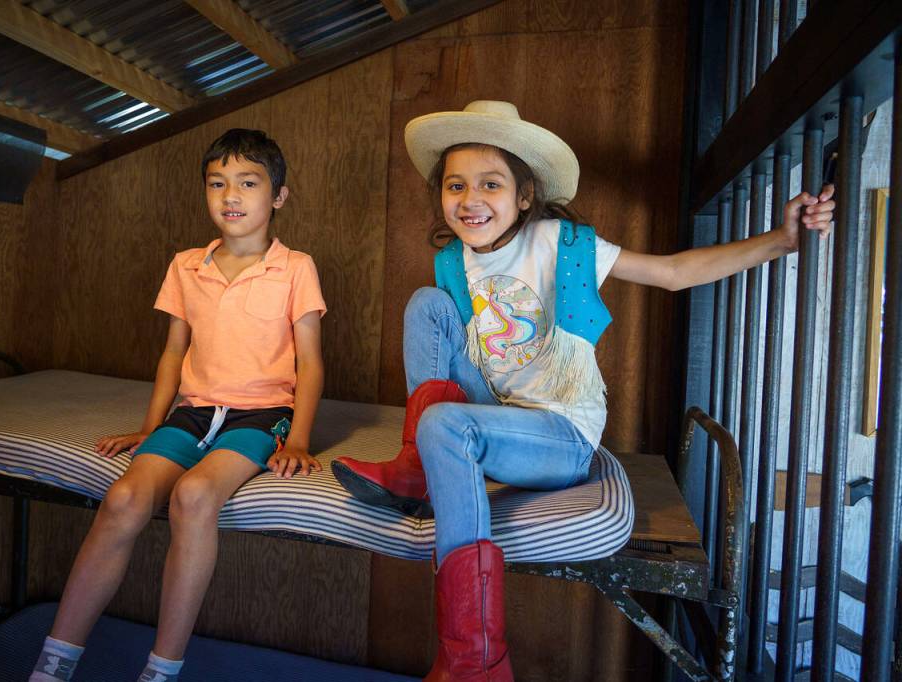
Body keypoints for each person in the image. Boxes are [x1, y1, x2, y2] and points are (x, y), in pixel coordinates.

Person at [332, 100, 834, 681]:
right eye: (456, 185)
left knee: (447, 423)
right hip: (493, 415)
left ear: (525, 196)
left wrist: (782, 240)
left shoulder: (561, 245)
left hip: (558, 434)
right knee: (427, 306)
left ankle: (476, 659)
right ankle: (419, 464)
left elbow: (674, 273)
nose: (470, 200)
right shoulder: (453, 262)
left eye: (490, 184)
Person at [30, 128, 326, 682]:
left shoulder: (296, 267)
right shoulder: (187, 264)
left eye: (247, 183)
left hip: (261, 415)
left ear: (278, 197)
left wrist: (302, 439)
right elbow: (173, 353)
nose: (230, 196)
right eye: (217, 184)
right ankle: (54, 663)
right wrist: (149, 428)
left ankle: (161, 670)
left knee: (193, 496)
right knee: (122, 498)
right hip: (192, 412)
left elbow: (310, 363)